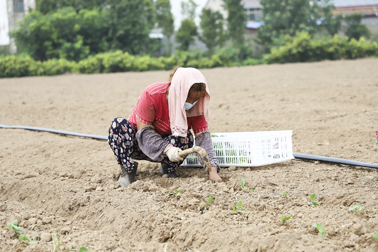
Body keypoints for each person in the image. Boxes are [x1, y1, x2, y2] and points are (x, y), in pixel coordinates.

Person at [108, 67, 222, 187]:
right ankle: (127, 170)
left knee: (186, 137)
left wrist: (212, 171)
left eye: (196, 99)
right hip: (138, 144)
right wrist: (167, 149)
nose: (192, 103)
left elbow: (203, 139)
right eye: (189, 99)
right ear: (178, 92)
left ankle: (168, 169)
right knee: (118, 125)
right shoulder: (152, 94)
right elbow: (144, 133)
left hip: (167, 151)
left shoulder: (195, 107)